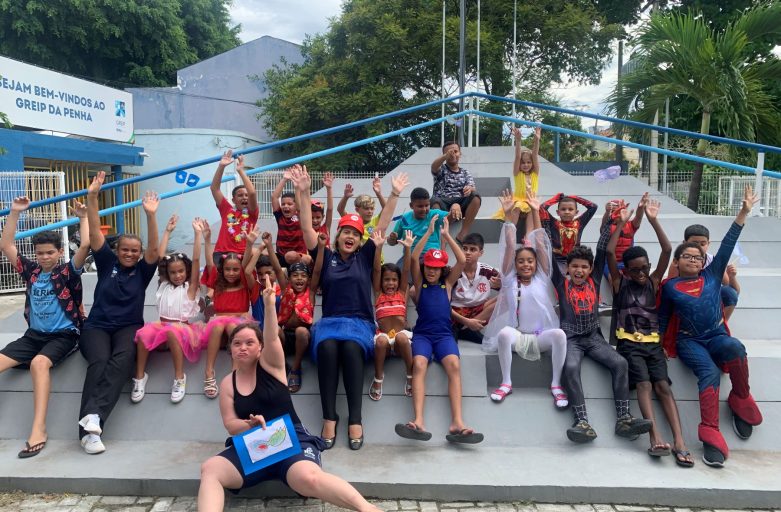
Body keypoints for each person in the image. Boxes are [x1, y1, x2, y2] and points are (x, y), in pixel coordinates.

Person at [197, 278, 382, 512]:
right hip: (255, 443)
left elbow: (273, 336)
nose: (242, 347)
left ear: (260, 348)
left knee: (309, 479)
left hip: (290, 439)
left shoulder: (272, 366)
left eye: (249, 343)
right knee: (210, 468)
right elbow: (230, 425)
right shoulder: (227, 384)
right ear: (230, 348)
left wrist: (269, 305)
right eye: (237, 343)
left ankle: (368, 509)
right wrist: (248, 425)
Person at [294, 164, 408, 451]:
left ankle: (355, 418)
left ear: (360, 240)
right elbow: (307, 230)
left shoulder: (366, 256)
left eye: (355, 234)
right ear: (338, 235)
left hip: (359, 323)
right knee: (329, 348)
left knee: (351, 349)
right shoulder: (326, 256)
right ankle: (329, 417)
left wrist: (393, 194)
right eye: (345, 231)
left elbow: (381, 226)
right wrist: (304, 191)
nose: (350, 236)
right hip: (331, 322)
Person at [659, 186, 761, 468]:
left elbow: (729, 242)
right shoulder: (670, 287)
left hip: (715, 335)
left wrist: (743, 212)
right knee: (709, 372)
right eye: (687, 256)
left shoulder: (713, 277)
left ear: (704, 261)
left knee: (736, 347)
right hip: (688, 341)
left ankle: (741, 399)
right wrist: (657, 347)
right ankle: (710, 433)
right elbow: (663, 320)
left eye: (697, 256)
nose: (693, 259)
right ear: (677, 262)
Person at [0, 196, 89, 458]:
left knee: (40, 364)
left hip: (64, 335)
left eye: (50, 252)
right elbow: (5, 244)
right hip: (33, 336)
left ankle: (38, 428)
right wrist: (15, 212)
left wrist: (83, 217)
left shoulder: (67, 272)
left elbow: (85, 244)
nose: (45, 257)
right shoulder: (32, 272)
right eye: (40, 253)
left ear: (60, 252)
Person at [606, 200, 694, 467]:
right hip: (629, 344)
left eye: (645, 267)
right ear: (626, 270)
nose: (642, 273)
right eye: (636, 269)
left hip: (654, 345)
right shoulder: (620, 283)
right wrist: (622, 221)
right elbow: (610, 251)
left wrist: (653, 219)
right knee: (644, 385)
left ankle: (679, 441)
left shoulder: (654, 282)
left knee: (663, 387)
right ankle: (654, 437)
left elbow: (668, 249)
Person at [78, 171, 161, 454]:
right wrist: (92, 197)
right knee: (100, 362)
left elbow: (153, 248)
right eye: (125, 249)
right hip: (97, 327)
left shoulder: (144, 270)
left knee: (123, 359)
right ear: (117, 250)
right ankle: (90, 427)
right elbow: (93, 234)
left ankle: (92, 420)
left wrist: (150, 215)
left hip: (128, 326)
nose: (129, 253)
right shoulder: (106, 263)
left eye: (134, 250)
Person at [551, 223, 652, 443]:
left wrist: (610, 222)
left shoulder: (595, 281)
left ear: (590, 269)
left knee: (621, 363)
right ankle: (581, 422)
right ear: (567, 268)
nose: (579, 270)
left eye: (584, 267)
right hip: (571, 339)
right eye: (575, 266)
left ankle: (624, 419)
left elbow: (602, 249)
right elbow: (548, 252)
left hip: (593, 337)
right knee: (570, 367)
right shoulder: (561, 284)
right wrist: (538, 217)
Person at [395, 215, 484, 444]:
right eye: (429, 267)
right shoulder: (420, 284)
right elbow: (415, 258)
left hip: (444, 335)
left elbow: (462, 260)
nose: (432, 271)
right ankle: (418, 420)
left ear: (442, 268)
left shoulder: (447, 284)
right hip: (423, 335)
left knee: (454, 365)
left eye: (436, 268)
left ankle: (457, 422)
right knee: (420, 365)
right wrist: (428, 233)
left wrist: (445, 235)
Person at [483, 190, 568, 409]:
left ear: (536, 264)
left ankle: (556, 385)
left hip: (540, 336)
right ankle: (506, 382)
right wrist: (509, 215)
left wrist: (535, 210)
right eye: (521, 262)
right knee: (503, 334)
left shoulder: (542, 277)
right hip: (518, 336)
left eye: (530, 261)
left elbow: (540, 243)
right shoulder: (510, 279)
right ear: (515, 265)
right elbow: (510, 246)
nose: (526, 265)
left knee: (559, 335)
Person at [132, 216, 207, 404]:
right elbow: (160, 258)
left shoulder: (190, 287)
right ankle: (140, 377)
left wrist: (198, 234)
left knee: (173, 332)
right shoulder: (164, 284)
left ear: (187, 271)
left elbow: (197, 259)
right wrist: (167, 231)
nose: (177, 275)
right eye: (173, 272)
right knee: (142, 334)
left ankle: (179, 378)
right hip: (162, 324)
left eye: (181, 271)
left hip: (183, 328)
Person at [258, 228, 325, 393]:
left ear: (308, 280)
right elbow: (276, 266)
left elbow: (316, 271)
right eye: (295, 275)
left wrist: (321, 248)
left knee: (302, 331)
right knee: (274, 330)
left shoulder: (310, 293)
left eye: (303, 276)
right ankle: (281, 364)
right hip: (285, 337)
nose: (300, 278)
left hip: (303, 339)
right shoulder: (285, 287)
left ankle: (295, 369)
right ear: (289, 278)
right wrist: (268, 244)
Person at [201, 223, 258, 399]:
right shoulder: (217, 283)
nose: (231, 273)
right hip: (218, 327)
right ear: (222, 270)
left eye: (235, 269)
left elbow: (246, 263)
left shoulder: (244, 282)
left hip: (238, 326)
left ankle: (236, 371)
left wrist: (249, 244)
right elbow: (209, 262)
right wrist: (207, 239)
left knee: (232, 325)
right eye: (227, 269)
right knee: (219, 325)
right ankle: (209, 371)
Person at [369, 229, 415, 401]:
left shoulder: (402, 293)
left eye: (394, 280)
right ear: (381, 282)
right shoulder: (379, 293)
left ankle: (410, 374)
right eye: (387, 280)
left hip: (400, 337)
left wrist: (408, 249)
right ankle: (378, 377)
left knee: (403, 339)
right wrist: (378, 248)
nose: (390, 283)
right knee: (380, 341)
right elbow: (375, 270)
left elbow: (407, 269)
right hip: (384, 338)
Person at [666, 223, 741, 322]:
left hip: (708, 300)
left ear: (708, 244)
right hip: (686, 302)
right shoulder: (678, 263)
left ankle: (720, 326)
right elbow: (669, 290)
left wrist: (732, 277)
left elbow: (734, 291)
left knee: (729, 293)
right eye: (695, 243)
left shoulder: (713, 262)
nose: (699, 248)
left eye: (703, 244)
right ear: (684, 243)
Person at [450, 232, 499, 344]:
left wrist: (500, 285)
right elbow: (444, 304)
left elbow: (507, 287)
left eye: (472, 250)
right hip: (457, 314)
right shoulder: (454, 272)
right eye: (465, 248)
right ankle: (460, 329)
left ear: (480, 253)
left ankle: (469, 330)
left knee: (506, 296)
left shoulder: (487, 271)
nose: (467, 253)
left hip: (477, 310)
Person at [492, 126, 541, 237]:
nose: (526, 165)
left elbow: (535, 155)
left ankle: (528, 235)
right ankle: (511, 232)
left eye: (528, 162)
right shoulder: (517, 174)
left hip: (530, 200)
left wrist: (537, 140)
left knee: (532, 209)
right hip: (519, 199)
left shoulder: (535, 173)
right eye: (523, 163)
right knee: (517, 206)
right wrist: (518, 141)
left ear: (532, 164)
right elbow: (518, 156)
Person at [209, 150, 259, 259]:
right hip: (221, 253)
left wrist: (241, 170)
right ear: (234, 200)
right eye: (240, 195)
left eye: (246, 195)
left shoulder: (252, 213)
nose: (245, 197)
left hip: (242, 255)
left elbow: (252, 193)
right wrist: (221, 166)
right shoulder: (227, 210)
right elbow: (214, 188)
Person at [430, 141, 481, 243]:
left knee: (476, 196)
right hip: (442, 202)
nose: (453, 154)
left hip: (460, 204)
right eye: (449, 152)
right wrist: (445, 157)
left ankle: (463, 233)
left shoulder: (465, 172)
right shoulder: (441, 169)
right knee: (434, 200)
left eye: (455, 151)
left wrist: (469, 189)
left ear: (460, 154)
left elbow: (472, 187)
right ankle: (442, 228)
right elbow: (434, 167)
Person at [539, 193, 598, 273]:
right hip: (557, 260)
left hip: (575, 259)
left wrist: (575, 198)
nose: (567, 212)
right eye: (563, 209)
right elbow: (542, 208)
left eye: (570, 209)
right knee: (560, 282)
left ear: (576, 212)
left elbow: (593, 207)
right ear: (558, 212)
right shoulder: (554, 224)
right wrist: (556, 199)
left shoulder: (579, 223)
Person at [386, 187, 448, 256]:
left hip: (432, 256)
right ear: (411, 206)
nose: (424, 209)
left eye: (427, 205)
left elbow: (449, 217)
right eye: (420, 206)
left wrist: (455, 206)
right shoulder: (404, 219)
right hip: (410, 257)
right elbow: (391, 242)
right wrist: (392, 239)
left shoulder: (434, 214)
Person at [271, 168, 310, 266]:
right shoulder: (280, 216)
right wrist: (284, 179)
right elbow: (274, 197)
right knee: (263, 254)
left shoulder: (300, 215)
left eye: (289, 204)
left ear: (296, 205)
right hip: (282, 256)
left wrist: (297, 188)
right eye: (283, 204)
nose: (286, 206)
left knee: (295, 256)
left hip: (299, 255)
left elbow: (301, 205)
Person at [336, 174, 387, 243]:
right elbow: (340, 210)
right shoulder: (353, 221)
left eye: (372, 208)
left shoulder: (376, 220)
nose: (370, 211)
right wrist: (345, 197)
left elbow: (387, 209)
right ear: (357, 210)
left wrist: (379, 194)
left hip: (376, 254)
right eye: (366, 208)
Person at [311, 171, 334, 248]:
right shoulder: (307, 230)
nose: (314, 220)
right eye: (311, 218)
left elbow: (330, 209)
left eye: (318, 217)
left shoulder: (325, 228)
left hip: (326, 259)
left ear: (323, 217)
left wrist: (329, 188)